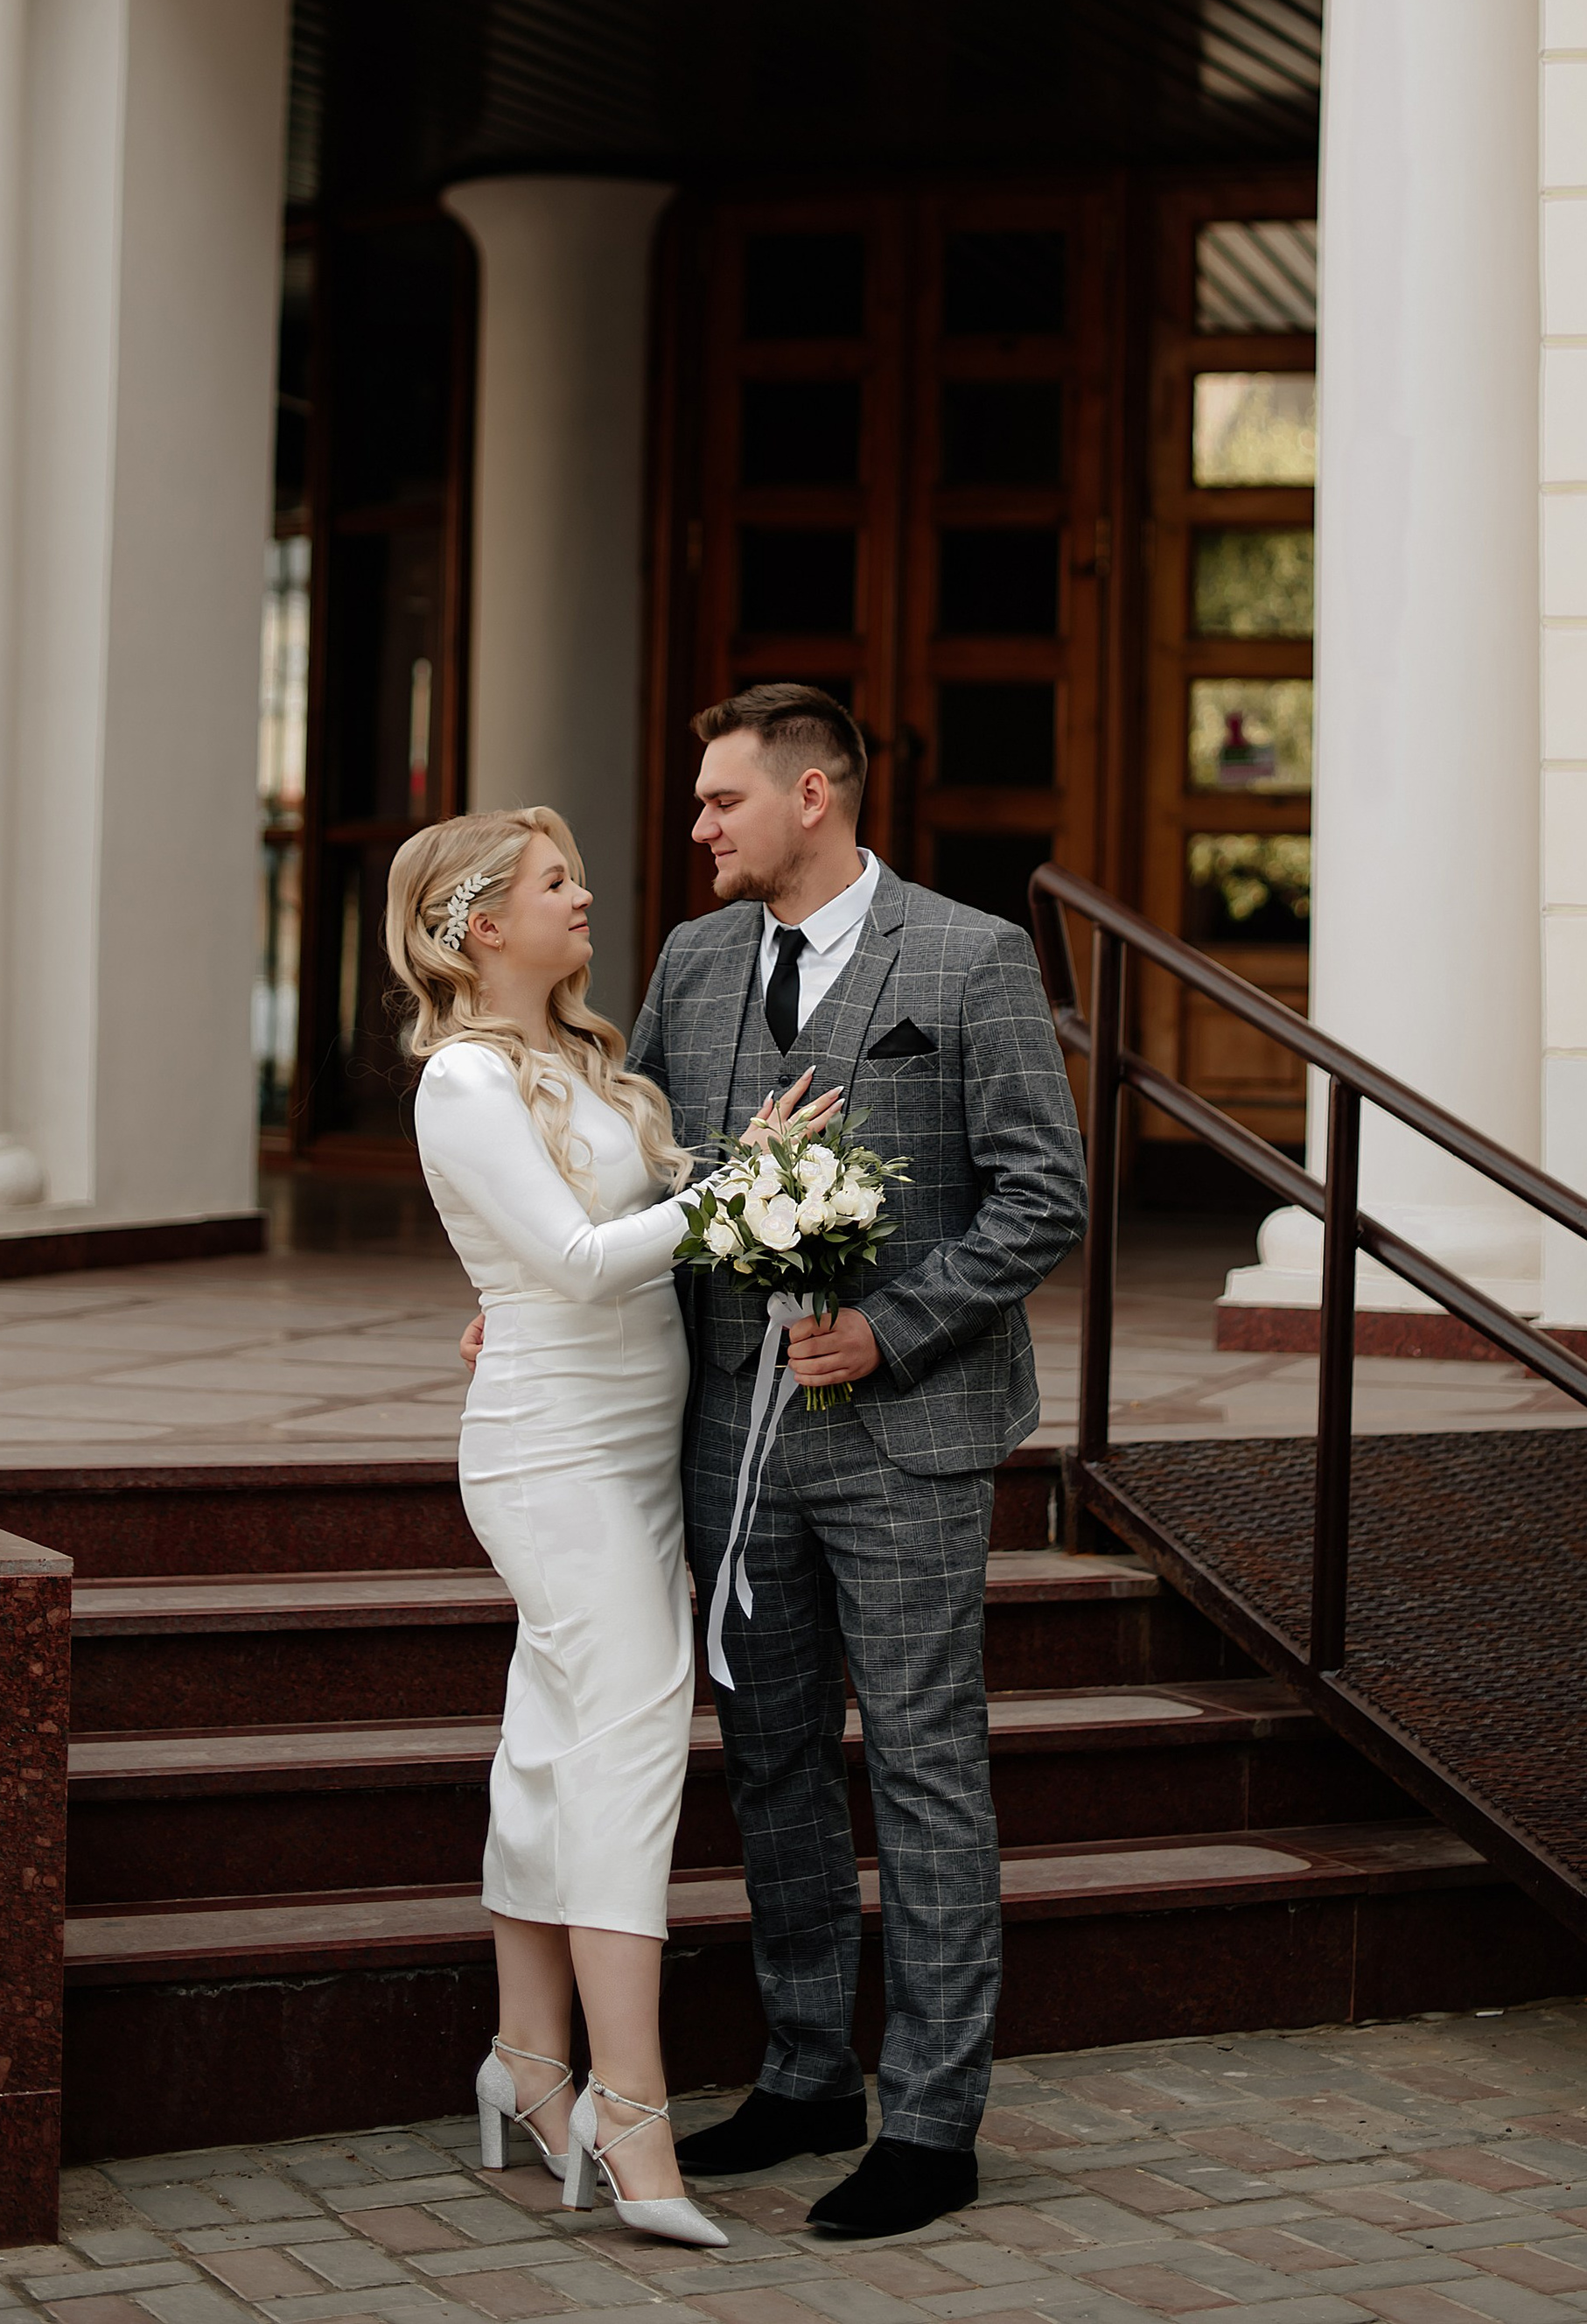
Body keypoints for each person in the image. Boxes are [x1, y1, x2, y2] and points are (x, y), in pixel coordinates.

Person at [632, 683, 1088, 2241]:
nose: (697, 826)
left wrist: (891, 1329)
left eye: (720, 801)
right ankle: (811, 2071)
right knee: (766, 1760)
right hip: (729, 1446)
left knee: (924, 1763)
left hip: (907, 1440)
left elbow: (1043, 1199)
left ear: (812, 795)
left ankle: (937, 2122)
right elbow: (638, 1171)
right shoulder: (693, 964)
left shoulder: (971, 958)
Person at [388, 805, 836, 2250]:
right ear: (478, 926)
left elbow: (600, 1254)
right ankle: (628, 2112)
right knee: (634, 1749)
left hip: (635, 1455)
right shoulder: (462, 1080)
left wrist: (730, 1198)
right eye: (555, 883)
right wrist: (743, 1189)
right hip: (555, 1456)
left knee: (551, 1737)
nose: (587, 899)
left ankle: (528, 2064)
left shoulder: (577, 1064)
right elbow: (581, 1266)